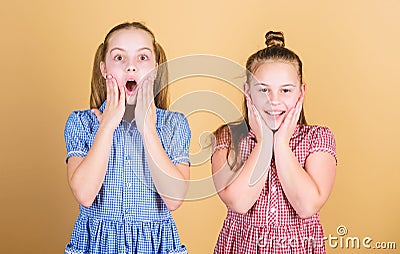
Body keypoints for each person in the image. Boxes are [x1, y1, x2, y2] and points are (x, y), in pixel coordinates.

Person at [64, 22, 190, 254]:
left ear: (156, 68)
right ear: (103, 68)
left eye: (142, 58)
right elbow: (84, 194)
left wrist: (148, 130)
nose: (131, 67)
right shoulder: (81, 123)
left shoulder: (174, 124)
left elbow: (174, 200)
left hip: (155, 246)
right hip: (97, 245)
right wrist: (108, 125)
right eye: (119, 58)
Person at [212, 31, 337, 253]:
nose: (275, 100)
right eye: (263, 90)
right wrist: (263, 143)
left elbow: (307, 206)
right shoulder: (227, 138)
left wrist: (280, 144)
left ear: (301, 92)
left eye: (286, 90)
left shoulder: (319, 138)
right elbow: (239, 203)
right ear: (247, 91)